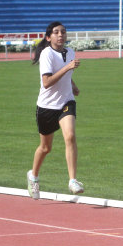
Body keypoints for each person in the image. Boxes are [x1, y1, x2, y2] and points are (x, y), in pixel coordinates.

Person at [27, 21, 84, 199]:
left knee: (70, 136)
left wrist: (73, 85)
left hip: (66, 102)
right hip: (46, 107)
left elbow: (66, 74)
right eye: (56, 32)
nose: (61, 35)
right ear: (48, 37)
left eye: (64, 32)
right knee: (45, 148)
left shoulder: (70, 52)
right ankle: (33, 176)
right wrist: (68, 67)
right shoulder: (47, 54)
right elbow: (47, 82)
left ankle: (73, 180)